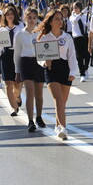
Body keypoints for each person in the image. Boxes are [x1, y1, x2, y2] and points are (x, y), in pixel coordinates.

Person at [36, 10, 79, 140]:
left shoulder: (67, 37)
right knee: (58, 99)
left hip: (64, 69)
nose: (60, 21)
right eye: (56, 19)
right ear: (50, 21)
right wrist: (44, 62)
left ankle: (57, 125)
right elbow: (39, 58)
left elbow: (72, 56)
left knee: (62, 103)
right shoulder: (43, 37)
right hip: (51, 70)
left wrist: (72, 72)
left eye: (61, 18)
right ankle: (63, 128)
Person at [14, 8, 47, 132]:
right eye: (29, 17)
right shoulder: (20, 34)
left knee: (39, 93)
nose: (32, 20)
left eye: (34, 18)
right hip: (26, 62)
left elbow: (46, 48)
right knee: (29, 92)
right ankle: (30, 120)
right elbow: (16, 54)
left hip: (39, 62)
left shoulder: (41, 32)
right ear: (25, 18)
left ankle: (39, 117)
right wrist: (17, 71)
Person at [0, 6, 24, 116]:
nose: (10, 16)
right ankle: (14, 108)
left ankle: (17, 96)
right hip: (6, 56)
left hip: (18, 55)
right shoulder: (2, 29)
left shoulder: (20, 26)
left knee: (18, 84)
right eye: (7, 14)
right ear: (4, 17)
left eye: (11, 14)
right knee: (8, 83)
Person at [69, 2, 90, 82]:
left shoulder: (85, 16)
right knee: (79, 56)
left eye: (77, 7)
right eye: (74, 7)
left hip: (85, 37)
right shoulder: (72, 17)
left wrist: (88, 23)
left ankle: (86, 68)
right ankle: (82, 73)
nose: (75, 9)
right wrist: (82, 13)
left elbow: (89, 27)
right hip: (77, 38)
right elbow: (75, 20)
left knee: (87, 55)